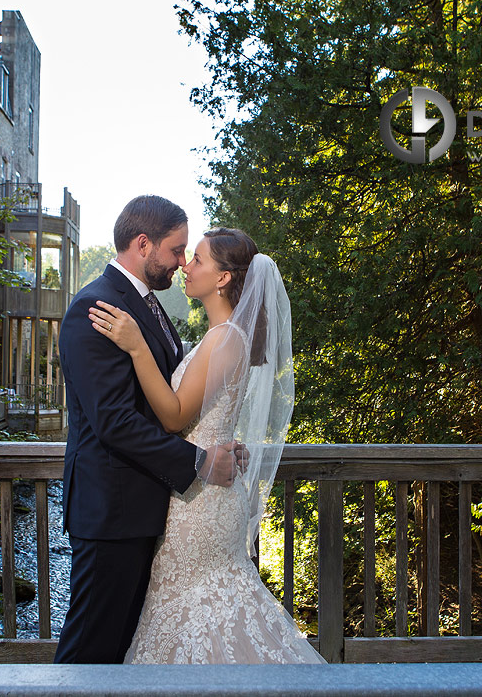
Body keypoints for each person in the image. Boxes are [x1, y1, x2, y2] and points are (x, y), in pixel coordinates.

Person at [88, 226, 326, 664]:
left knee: (202, 603)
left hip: (203, 501)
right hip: (199, 487)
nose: (185, 265)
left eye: (196, 258)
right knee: (191, 604)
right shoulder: (220, 337)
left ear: (222, 278)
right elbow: (206, 416)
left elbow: (176, 416)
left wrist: (138, 348)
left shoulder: (225, 338)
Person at [53, 196, 248, 664]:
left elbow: (176, 400)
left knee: (122, 652)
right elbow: (114, 422)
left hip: (149, 509)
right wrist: (199, 461)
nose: (182, 263)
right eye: (177, 250)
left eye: (190, 255)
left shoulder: (147, 307)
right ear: (144, 245)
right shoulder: (94, 308)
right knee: (89, 652)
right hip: (111, 512)